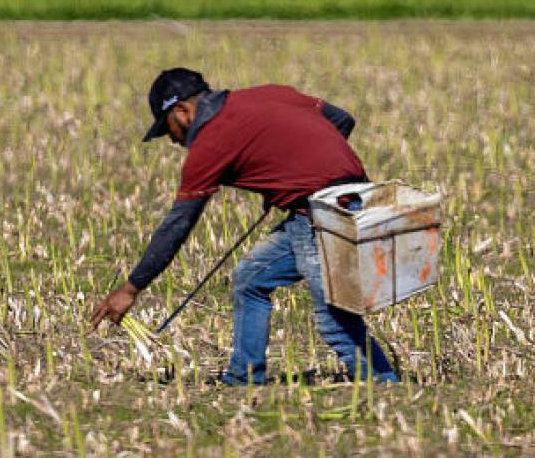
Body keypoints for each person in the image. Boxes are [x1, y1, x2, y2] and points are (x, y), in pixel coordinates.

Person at [87, 67, 400, 385]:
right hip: (355, 199)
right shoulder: (270, 94)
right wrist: (296, 170)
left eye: (167, 129)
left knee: (334, 316)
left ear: (181, 111)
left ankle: (384, 384)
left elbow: (179, 222)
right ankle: (244, 377)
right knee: (250, 278)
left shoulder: (209, 144)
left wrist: (130, 289)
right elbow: (342, 119)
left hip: (322, 214)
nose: (172, 139)